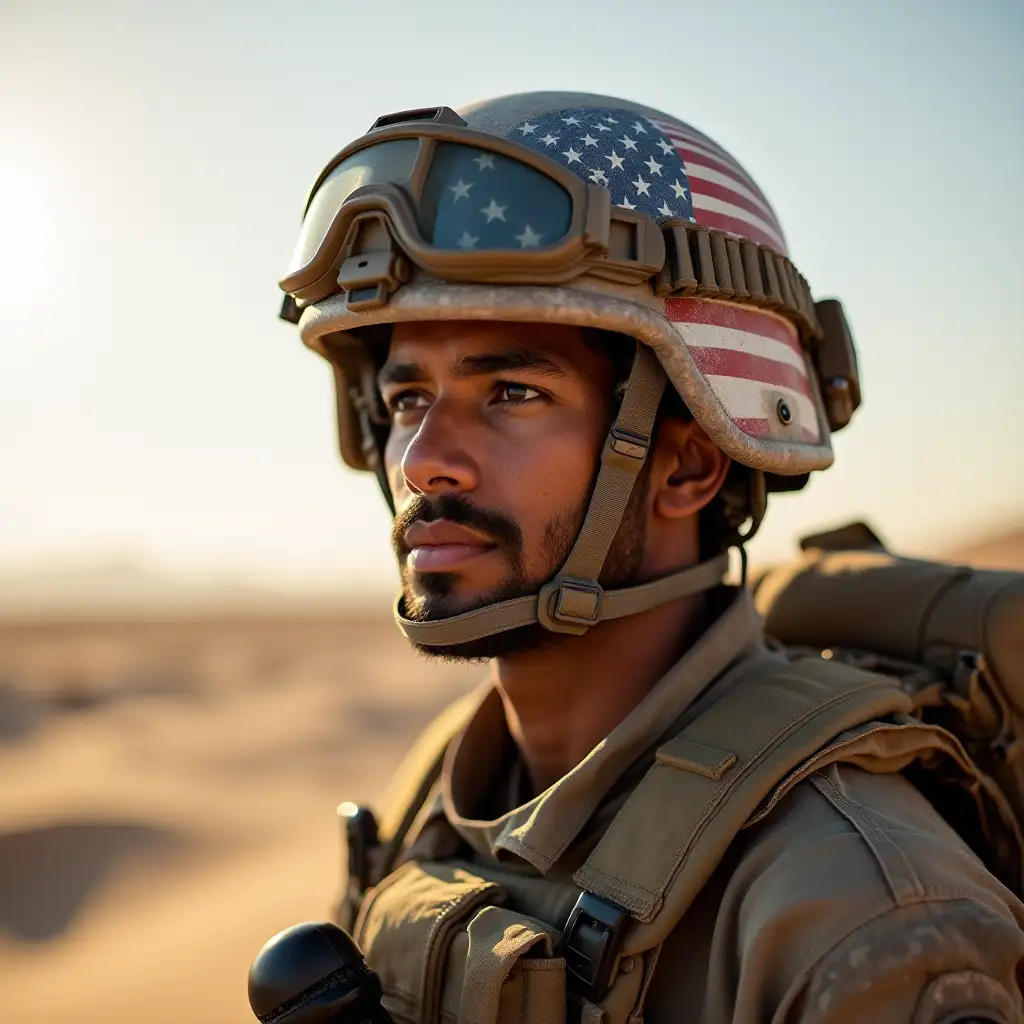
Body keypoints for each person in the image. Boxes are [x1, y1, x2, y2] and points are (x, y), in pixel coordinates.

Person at [277, 93, 1024, 1023]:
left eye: (510, 391)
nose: (424, 457)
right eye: (406, 400)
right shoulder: (446, 782)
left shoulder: (855, 913)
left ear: (689, 463)